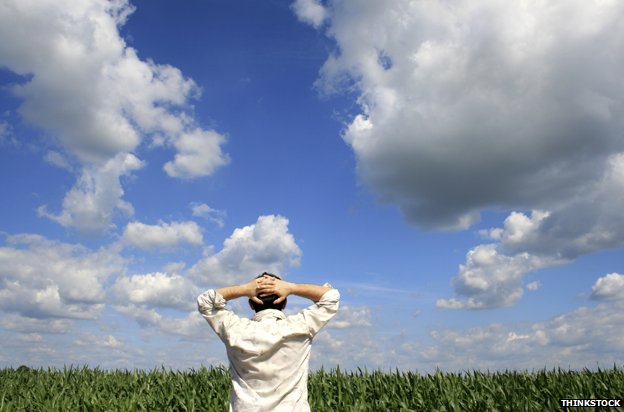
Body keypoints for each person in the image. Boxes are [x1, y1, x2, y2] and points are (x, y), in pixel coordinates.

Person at [197, 272, 340, 412]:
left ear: (251, 304)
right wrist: (291, 287)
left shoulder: (235, 329)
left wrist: (244, 289)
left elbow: (205, 301)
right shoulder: (300, 326)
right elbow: (331, 297)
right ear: (284, 302)